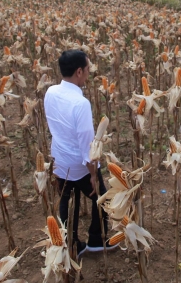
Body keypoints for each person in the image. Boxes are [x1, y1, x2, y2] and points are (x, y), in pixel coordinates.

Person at [44, 49, 116, 257]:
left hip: (59, 160)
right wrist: (93, 173)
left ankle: (71, 244)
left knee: (66, 201)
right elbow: (87, 145)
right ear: (78, 72)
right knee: (102, 198)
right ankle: (96, 239)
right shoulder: (80, 104)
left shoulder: (51, 92)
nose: (89, 73)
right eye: (87, 69)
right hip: (79, 164)